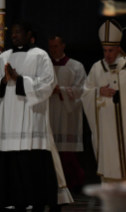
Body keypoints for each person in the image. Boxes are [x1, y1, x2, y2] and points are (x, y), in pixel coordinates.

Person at [0, 19, 73, 212]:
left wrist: (20, 80)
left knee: (31, 158)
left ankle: (38, 200)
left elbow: (48, 83)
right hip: (9, 119)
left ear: (28, 34)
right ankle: (14, 200)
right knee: (11, 160)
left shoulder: (40, 56)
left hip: (32, 117)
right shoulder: (4, 57)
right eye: (12, 32)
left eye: (17, 32)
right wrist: (3, 80)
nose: (13, 35)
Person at [81, 20, 126, 184]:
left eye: (111, 50)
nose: (107, 54)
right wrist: (98, 92)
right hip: (107, 126)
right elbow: (85, 93)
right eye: (105, 50)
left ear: (119, 49)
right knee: (110, 160)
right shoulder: (97, 68)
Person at [48, 34, 86, 192]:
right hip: (49, 112)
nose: (53, 50)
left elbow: (83, 90)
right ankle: (53, 182)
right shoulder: (45, 66)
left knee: (66, 153)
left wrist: (60, 91)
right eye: (50, 47)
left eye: (56, 46)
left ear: (63, 46)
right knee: (51, 151)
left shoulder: (76, 66)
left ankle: (73, 182)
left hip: (67, 114)